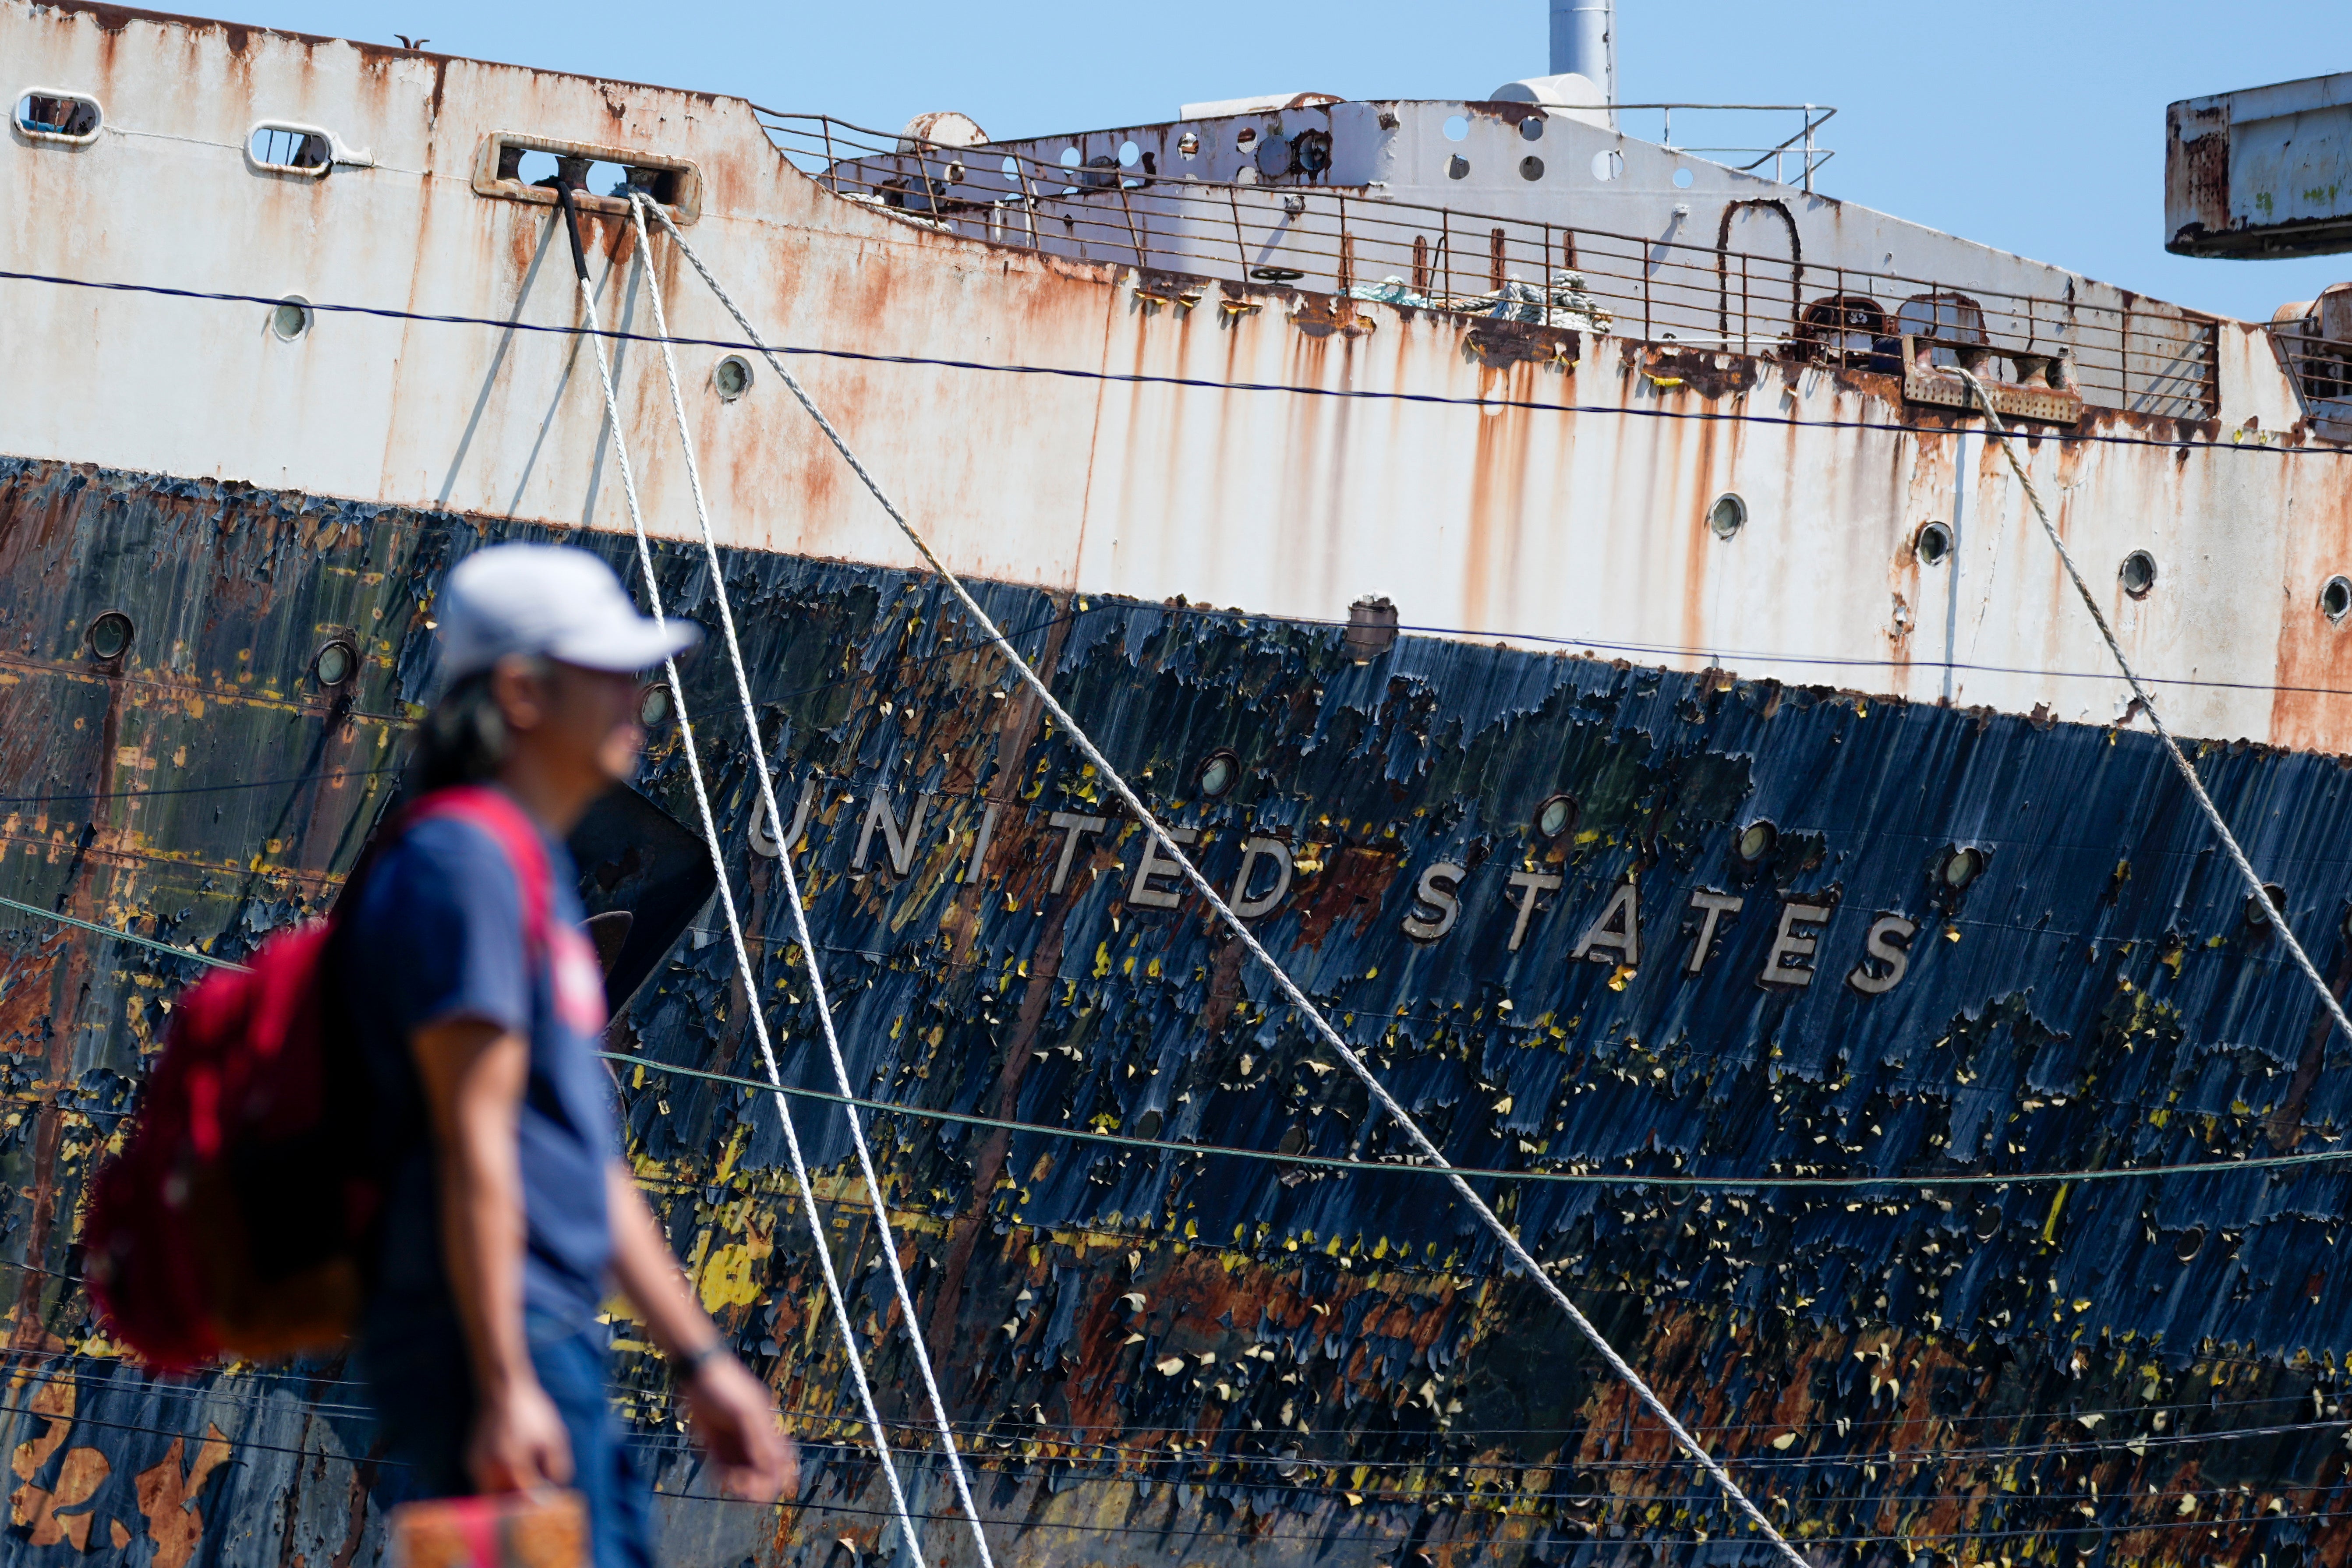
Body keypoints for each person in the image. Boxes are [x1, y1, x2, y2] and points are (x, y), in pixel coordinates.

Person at [343, 543, 793, 1567]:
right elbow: (473, 1138)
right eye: (610, 670)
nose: (640, 695)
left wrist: (701, 1357)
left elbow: (583, 1158)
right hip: (501, 1340)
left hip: (550, 1336)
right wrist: (502, 1382)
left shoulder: (528, 871)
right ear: (521, 691)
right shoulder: (462, 865)